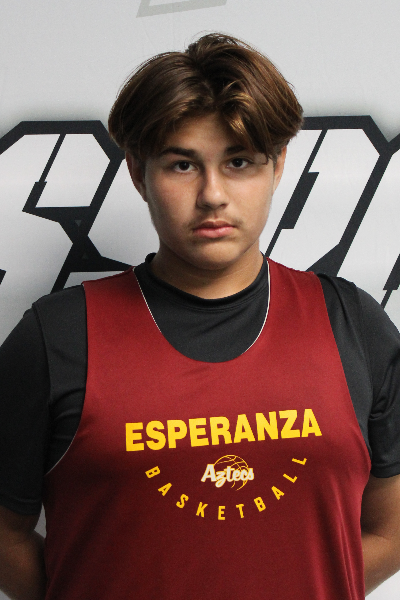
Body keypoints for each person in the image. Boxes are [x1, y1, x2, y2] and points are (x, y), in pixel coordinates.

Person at [0, 32, 400, 600]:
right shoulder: (58, 336)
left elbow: (391, 529)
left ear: (277, 166)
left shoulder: (353, 325)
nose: (213, 195)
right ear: (138, 173)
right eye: (182, 164)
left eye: (239, 162)